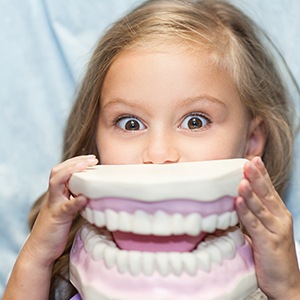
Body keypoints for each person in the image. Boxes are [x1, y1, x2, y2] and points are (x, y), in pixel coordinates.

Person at [3, 0, 300, 299]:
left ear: (251, 142)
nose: (158, 155)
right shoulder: (64, 269)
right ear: (95, 142)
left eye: (195, 121)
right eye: (130, 124)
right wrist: (38, 256)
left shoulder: (280, 268)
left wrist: (286, 287)